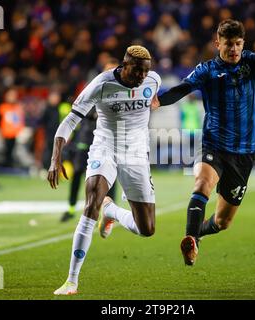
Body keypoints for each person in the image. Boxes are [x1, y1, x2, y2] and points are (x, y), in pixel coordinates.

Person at [152, 20, 255, 266]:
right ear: (218, 43)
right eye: (228, 44)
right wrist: (159, 101)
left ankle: (200, 234)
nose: (234, 49)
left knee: (222, 221)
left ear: (243, 43)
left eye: (238, 44)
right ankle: (190, 239)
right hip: (214, 144)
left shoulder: (253, 62)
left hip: (245, 152)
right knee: (202, 183)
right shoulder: (207, 70)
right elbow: (182, 88)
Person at [47, 45, 161, 295]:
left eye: (145, 71)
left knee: (147, 229)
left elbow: (153, 101)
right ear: (124, 65)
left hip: (136, 154)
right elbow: (70, 120)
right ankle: (71, 280)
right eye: (137, 71)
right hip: (105, 147)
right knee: (91, 203)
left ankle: (111, 211)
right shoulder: (102, 83)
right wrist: (55, 158)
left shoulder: (154, 80)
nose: (142, 76)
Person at [60, 59, 120, 223]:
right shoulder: (94, 86)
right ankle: (71, 207)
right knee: (79, 172)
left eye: (115, 70)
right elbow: (81, 107)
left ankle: (109, 211)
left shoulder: (121, 91)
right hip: (87, 137)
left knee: (110, 174)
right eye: (109, 70)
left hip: (107, 140)